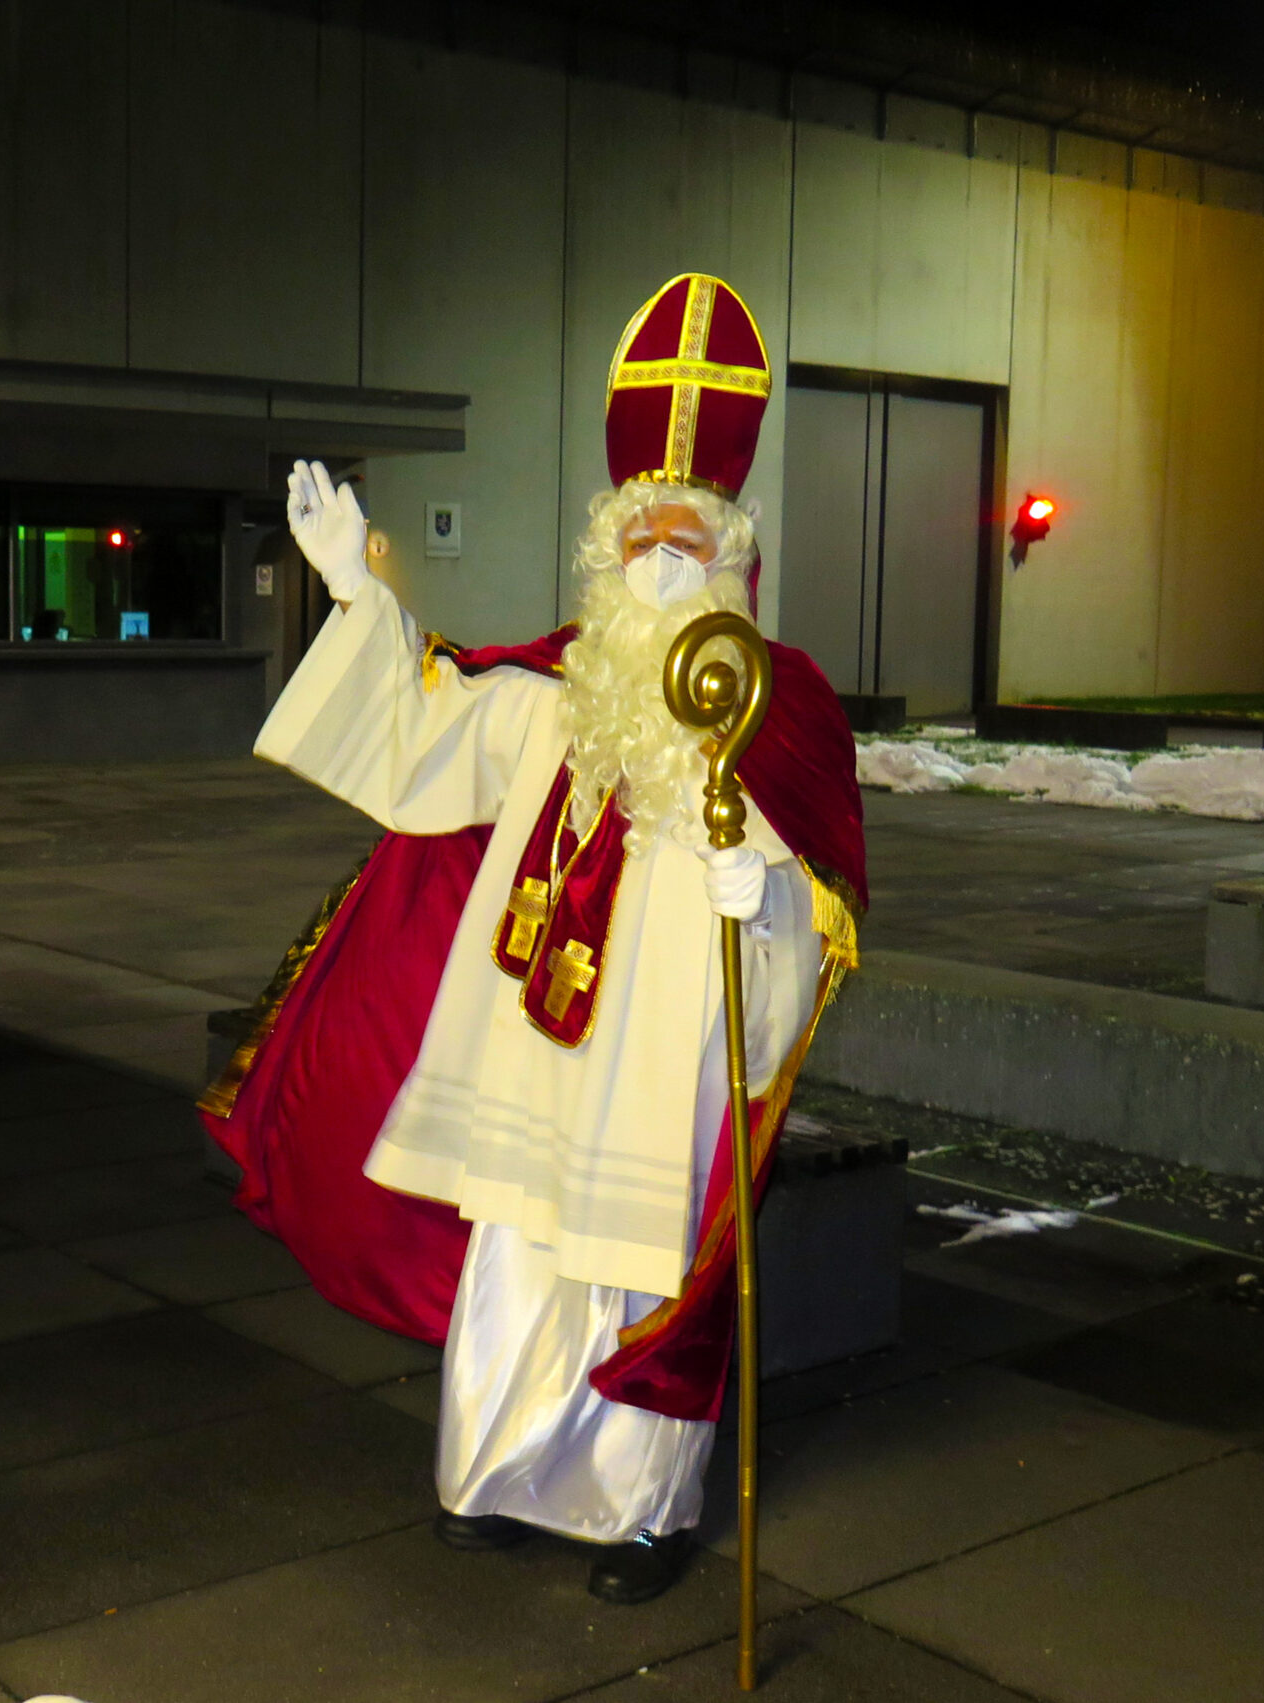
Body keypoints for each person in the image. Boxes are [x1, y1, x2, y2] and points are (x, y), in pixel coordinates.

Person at [202, 273, 866, 1605]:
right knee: (516, 1244)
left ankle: (640, 1516)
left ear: (734, 548)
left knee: (632, 1265)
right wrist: (352, 596)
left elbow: (820, 894)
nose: (662, 558)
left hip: (667, 1042)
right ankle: (494, 1475)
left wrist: (763, 893)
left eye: (689, 535)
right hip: (530, 1032)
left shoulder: (779, 704)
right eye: (641, 537)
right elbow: (427, 737)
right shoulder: (560, 686)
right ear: (605, 552)